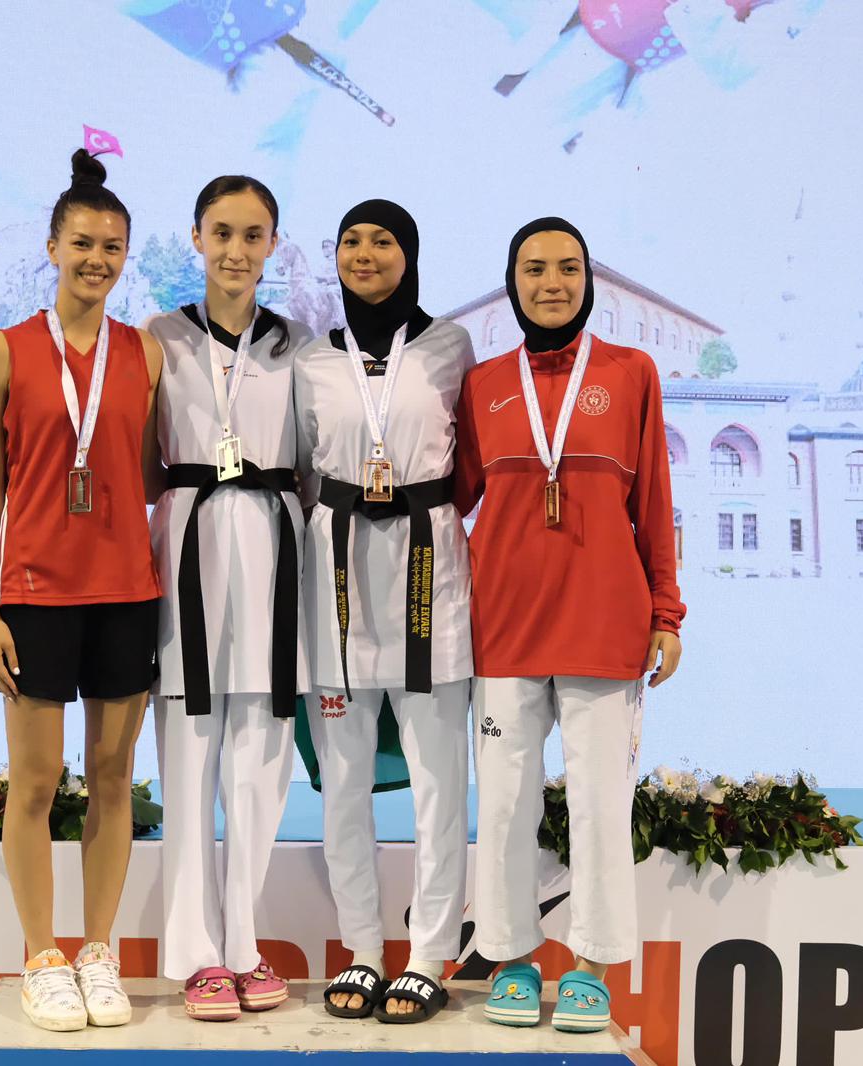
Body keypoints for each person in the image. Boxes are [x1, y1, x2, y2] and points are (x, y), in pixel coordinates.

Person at [455, 217, 684, 1033]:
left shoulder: (631, 373)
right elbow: (451, 498)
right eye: (534, 268)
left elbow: (653, 498)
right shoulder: (483, 384)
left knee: (598, 805)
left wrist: (666, 611)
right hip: (504, 625)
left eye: (567, 268)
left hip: (604, 622)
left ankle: (592, 966)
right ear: (511, 281)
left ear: (588, 281)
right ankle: (511, 956)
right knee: (505, 805)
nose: (551, 283)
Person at [0, 148, 164, 1032]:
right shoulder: (3, 352)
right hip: (36, 595)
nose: (97, 259)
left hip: (126, 591)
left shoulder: (145, 354)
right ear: (52, 247)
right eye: (82, 243)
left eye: (112, 247)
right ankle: (41, 955)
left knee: (114, 776)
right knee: (36, 780)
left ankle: (98, 951)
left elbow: (149, 473)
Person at [294, 199, 475, 1024]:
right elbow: (303, 469)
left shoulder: (450, 346)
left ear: (411, 253)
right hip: (335, 581)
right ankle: (364, 949)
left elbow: (469, 464)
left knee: (439, 783)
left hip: (429, 575)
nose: (364, 254)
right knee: (343, 783)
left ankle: (430, 953)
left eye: (382, 240)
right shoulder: (312, 359)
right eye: (350, 241)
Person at [145, 176, 314, 1020]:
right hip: (189, 551)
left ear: (273, 244)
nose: (236, 251)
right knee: (188, 760)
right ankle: (195, 954)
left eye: (253, 235)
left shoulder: (299, 346)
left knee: (261, 767)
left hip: (276, 559)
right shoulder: (159, 339)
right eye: (222, 233)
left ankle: (243, 945)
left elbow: (315, 463)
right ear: (196, 237)